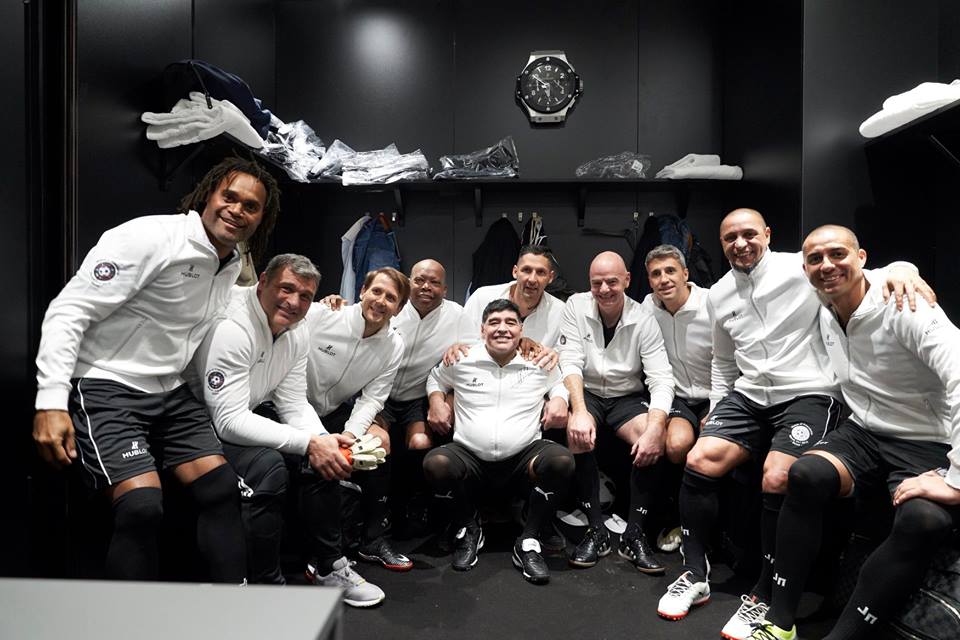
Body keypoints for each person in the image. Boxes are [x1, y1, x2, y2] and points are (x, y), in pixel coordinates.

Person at [657, 208, 933, 640]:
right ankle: (694, 573)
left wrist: (904, 268)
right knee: (700, 457)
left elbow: (864, 274)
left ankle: (764, 593)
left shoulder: (802, 269)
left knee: (778, 474)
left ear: (767, 234)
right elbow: (723, 363)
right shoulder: (720, 293)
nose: (741, 244)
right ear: (721, 244)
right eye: (730, 238)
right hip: (749, 395)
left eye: (749, 234)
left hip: (809, 392)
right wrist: (716, 407)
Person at [33, 156, 279, 582]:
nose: (237, 210)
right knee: (141, 506)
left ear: (261, 219)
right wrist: (50, 402)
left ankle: (235, 603)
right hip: (106, 381)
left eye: (251, 206)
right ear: (207, 195)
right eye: (229, 197)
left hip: (168, 389)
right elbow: (69, 310)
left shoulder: (229, 263)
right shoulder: (150, 237)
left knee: (220, 488)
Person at [750, 225, 960, 640]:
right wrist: (901, 265)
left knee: (924, 520)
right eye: (815, 259)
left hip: (927, 440)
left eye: (838, 254)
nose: (827, 265)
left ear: (862, 258)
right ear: (805, 269)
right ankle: (779, 622)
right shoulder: (822, 305)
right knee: (804, 475)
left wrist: (956, 479)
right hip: (865, 431)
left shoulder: (905, 304)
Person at [188, 254, 385, 607]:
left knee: (322, 458)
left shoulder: (297, 330)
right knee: (269, 468)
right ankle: (266, 588)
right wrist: (309, 442)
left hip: (244, 412)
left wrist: (322, 441)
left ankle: (328, 567)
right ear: (263, 282)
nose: (294, 302)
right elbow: (227, 420)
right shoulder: (233, 326)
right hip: (198, 420)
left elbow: (292, 402)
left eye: (305, 296)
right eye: (286, 289)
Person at [423, 299, 573, 583]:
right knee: (436, 463)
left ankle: (529, 540)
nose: (502, 328)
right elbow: (435, 379)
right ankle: (469, 528)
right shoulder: (462, 358)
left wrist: (559, 400)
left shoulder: (538, 360)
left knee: (562, 460)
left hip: (522, 458)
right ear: (482, 330)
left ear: (521, 330)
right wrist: (436, 400)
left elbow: (558, 385)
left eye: (510, 322)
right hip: (470, 457)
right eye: (494, 323)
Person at [558, 251, 675, 572]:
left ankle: (634, 534)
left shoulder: (644, 318)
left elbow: (661, 378)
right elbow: (569, 361)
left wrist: (656, 428)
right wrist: (579, 410)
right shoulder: (576, 306)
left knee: (652, 437)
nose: (604, 289)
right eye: (597, 283)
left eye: (612, 281)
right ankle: (596, 530)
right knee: (577, 433)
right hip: (589, 392)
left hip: (626, 396)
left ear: (627, 280)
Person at [303, 267, 410, 576]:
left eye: (391, 298)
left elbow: (373, 399)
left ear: (399, 308)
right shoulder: (324, 315)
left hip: (334, 411)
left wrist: (350, 435)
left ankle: (372, 539)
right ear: (362, 291)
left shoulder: (394, 345)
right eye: (376, 291)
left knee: (378, 444)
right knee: (316, 461)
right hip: (292, 406)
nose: (381, 301)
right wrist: (320, 435)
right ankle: (320, 552)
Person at [641, 244, 713, 550]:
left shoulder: (712, 303)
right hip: (679, 396)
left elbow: (733, 361)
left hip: (718, 394)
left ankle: (711, 529)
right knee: (676, 445)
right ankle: (678, 520)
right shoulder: (647, 307)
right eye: (656, 274)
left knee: (711, 451)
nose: (664, 279)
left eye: (670, 271)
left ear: (685, 273)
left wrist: (719, 405)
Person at [453, 244, 564, 350]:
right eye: (526, 270)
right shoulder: (482, 297)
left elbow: (563, 354)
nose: (532, 279)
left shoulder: (560, 312)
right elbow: (462, 344)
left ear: (550, 277)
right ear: (515, 272)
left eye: (540, 272)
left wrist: (542, 352)